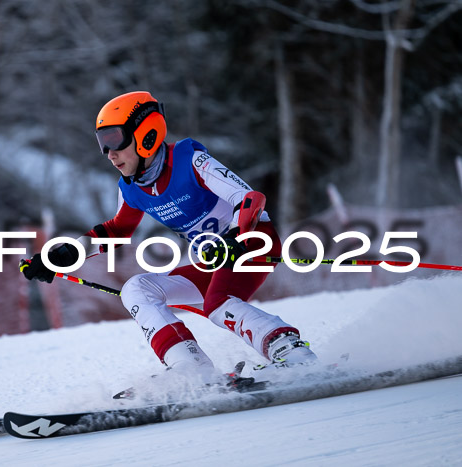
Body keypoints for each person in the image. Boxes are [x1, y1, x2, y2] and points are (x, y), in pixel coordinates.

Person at [21, 91, 316, 383]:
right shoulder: (131, 188)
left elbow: (249, 198)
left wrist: (236, 237)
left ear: (146, 134)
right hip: (214, 259)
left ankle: (290, 352)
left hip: (251, 241)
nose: (109, 154)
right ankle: (190, 369)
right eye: (103, 143)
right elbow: (116, 230)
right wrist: (57, 257)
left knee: (218, 302)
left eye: (115, 140)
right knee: (137, 288)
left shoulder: (190, 160)